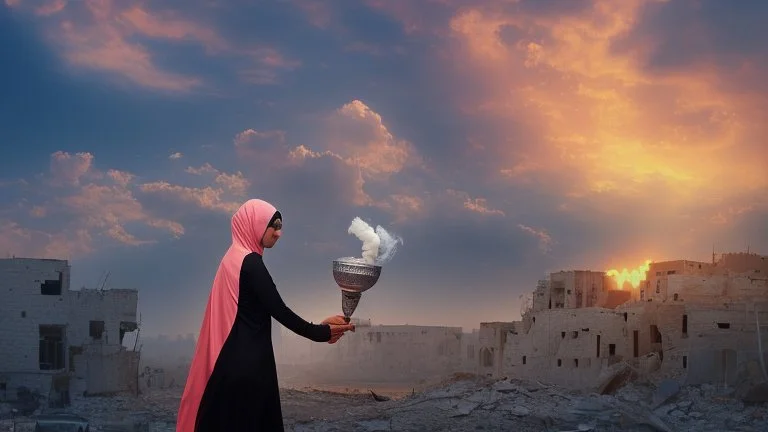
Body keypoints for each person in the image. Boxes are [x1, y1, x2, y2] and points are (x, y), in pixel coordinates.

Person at [176, 199, 355, 431]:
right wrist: (321, 332)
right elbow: (279, 309)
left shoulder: (231, 258)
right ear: (255, 224)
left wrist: (321, 328)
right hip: (249, 369)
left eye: (280, 227)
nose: (278, 233)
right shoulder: (250, 263)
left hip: (228, 365)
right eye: (274, 225)